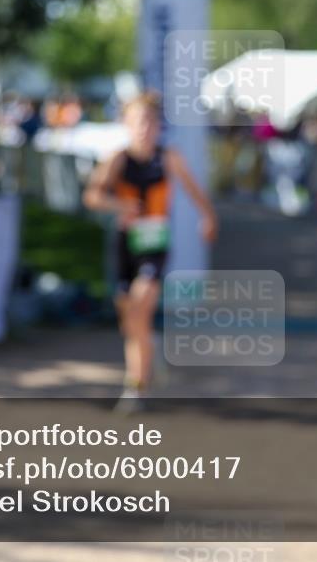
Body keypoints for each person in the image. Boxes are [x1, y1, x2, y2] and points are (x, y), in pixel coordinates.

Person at [83, 92, 217, 413]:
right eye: (138, 122)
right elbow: (92, 196)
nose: (145, 128)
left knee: (140, 309)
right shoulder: (117, 159)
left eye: (150, 122)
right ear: (127, 125)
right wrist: (119, 204)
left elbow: (194, 191)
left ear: (158, 126)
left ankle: (135, 388)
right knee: (129, 322)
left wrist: (208, 217)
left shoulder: (168, 157)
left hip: (154, 244)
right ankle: (148, 349)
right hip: (125, 244)